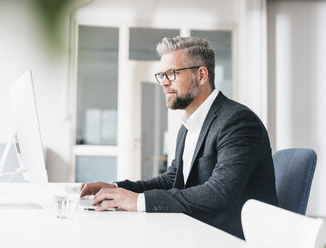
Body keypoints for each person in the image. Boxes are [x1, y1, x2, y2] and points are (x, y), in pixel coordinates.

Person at [80, 36, 278, 239]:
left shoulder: (238, 121)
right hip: (198, 228)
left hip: (232, 236)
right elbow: (173, 179)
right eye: (161, 75)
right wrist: (117, 188)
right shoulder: (188, 126)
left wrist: (139, 201)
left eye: (172, 73)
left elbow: (220, 193)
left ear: (201, 75)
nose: (164, 83)